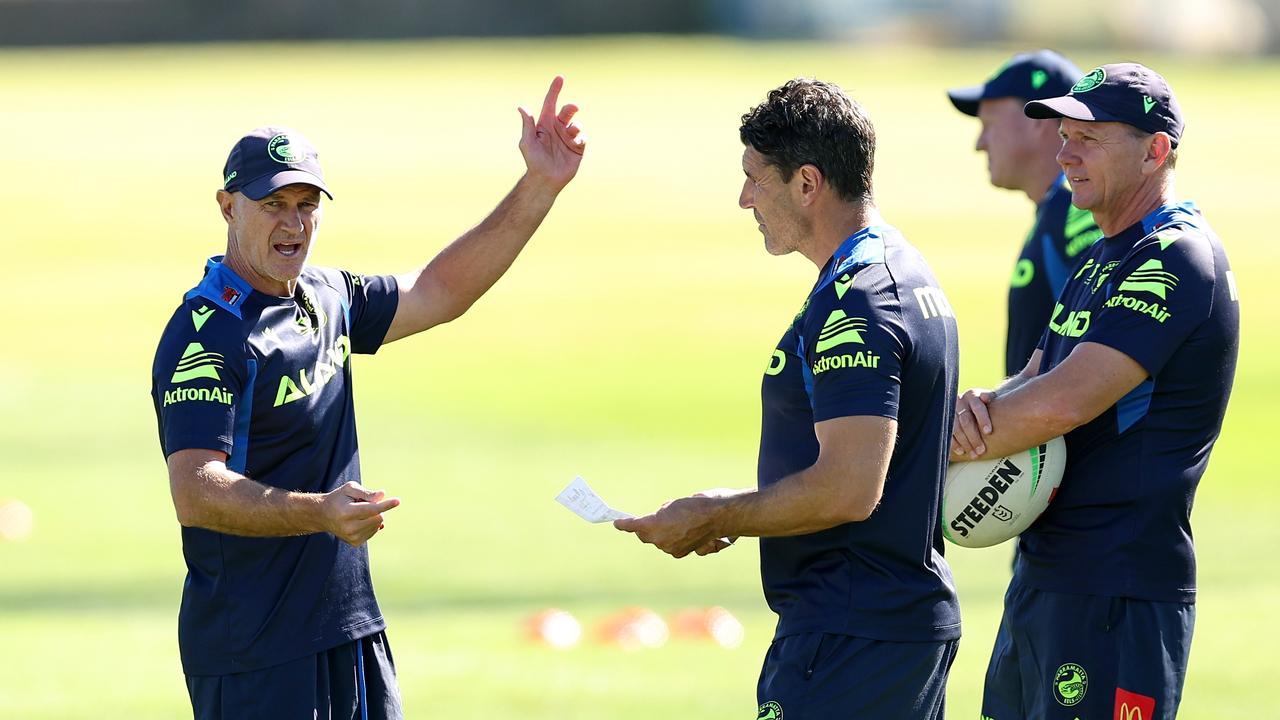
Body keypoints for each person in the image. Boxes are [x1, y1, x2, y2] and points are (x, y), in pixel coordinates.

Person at [149, 76, 585, 719]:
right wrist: (319, 511)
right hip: (254, 653)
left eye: (307, 204)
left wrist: (540, 186)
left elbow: (439, 291)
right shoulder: (206, 333)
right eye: (272, 205)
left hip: (349, 630)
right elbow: (196, 489)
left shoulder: (326, 297)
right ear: (227, 206)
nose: (293, 224)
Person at [614, 78, 961, 719]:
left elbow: (850, 487)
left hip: (853, 637)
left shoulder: (859, 299)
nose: (744, 198)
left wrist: (721, 515)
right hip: (877, 628)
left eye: (754, 177)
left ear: (807, 182)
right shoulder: (900, 269)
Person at [951, 63, 1239, 720]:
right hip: (1047, 580)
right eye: (1064, 133)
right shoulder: (1103, 258)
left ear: (1154, 150)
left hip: (1118, 590)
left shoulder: (1175, 257)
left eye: (1090, 136)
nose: (1065, 152)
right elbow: (1032, 380)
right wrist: (975, 404)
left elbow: (1065, 401)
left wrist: (940, 442)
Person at [948, 49, 1102, 377]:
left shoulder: (1078, 211)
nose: (980, 143)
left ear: (1039, 122)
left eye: (990, 124)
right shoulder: (1057, 207)